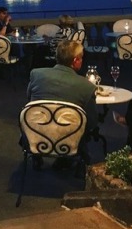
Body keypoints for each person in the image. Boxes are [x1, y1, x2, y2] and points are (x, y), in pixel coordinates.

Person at [27, 40, 99, 171]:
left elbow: (29, 104)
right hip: (69, 141)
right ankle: (68, 161)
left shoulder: (36, 74)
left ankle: (37, 158)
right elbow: (92, 122)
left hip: (36, 135)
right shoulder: (86, 86)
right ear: (76, 60)